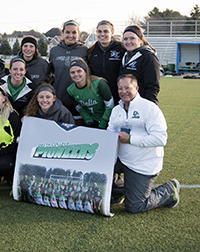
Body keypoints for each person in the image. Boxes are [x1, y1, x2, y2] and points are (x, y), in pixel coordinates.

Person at [107, 74, 179, 213]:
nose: (123, 91)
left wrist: (130, 139)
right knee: (98, 168)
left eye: (127, 87)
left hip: (142, 163)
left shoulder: (149, 108)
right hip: (121, 158)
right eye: (120, 88)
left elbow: (160, 139)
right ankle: (118, 191)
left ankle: (169, 190)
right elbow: (110, 132)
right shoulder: (116, 110)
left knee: (135, 207)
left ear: (136, 88)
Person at [49, 20, 88, 115]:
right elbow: (50, 74)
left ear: (78, 34)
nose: (71, 35)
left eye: (74, 32)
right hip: (59, 99)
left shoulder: (84, 50)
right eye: (67, 32)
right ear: (62, 33)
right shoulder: (54, 51)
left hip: (79, 100)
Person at [119, 25, 160, 104]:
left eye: (132, 38)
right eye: (125, 39)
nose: (128, 42)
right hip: (127, 103)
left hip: (142, 104)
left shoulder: (148, 56)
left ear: (140, 40)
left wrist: (149, 106)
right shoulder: (125, 56)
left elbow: (152, 86)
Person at [67, 59, 114, 129]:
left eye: (79, 71)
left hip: (107, 121)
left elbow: (110, 106)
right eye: (72, 72)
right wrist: (88, 121)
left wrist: (103, 123)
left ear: (85, 72)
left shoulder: (99, 84)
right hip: (91, 122)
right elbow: (80, 108)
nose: (76, 74)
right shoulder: (70, 90)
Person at [87, 20, 126, 103]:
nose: (102, 34)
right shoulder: (91, 50)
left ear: (112, 32)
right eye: (99, 31)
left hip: (118, 94)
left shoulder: (121, 48)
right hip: (98, 95)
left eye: (105, 31)